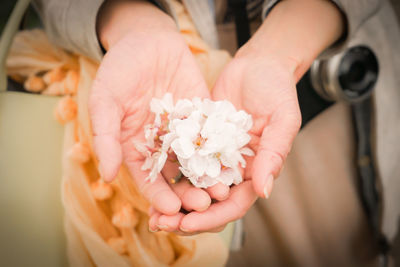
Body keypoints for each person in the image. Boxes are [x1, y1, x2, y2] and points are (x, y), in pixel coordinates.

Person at [33, 0, 400, 265]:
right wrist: (130, 20)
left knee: (344, 238)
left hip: (317, 63)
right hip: (162, 76)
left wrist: (282, 50)